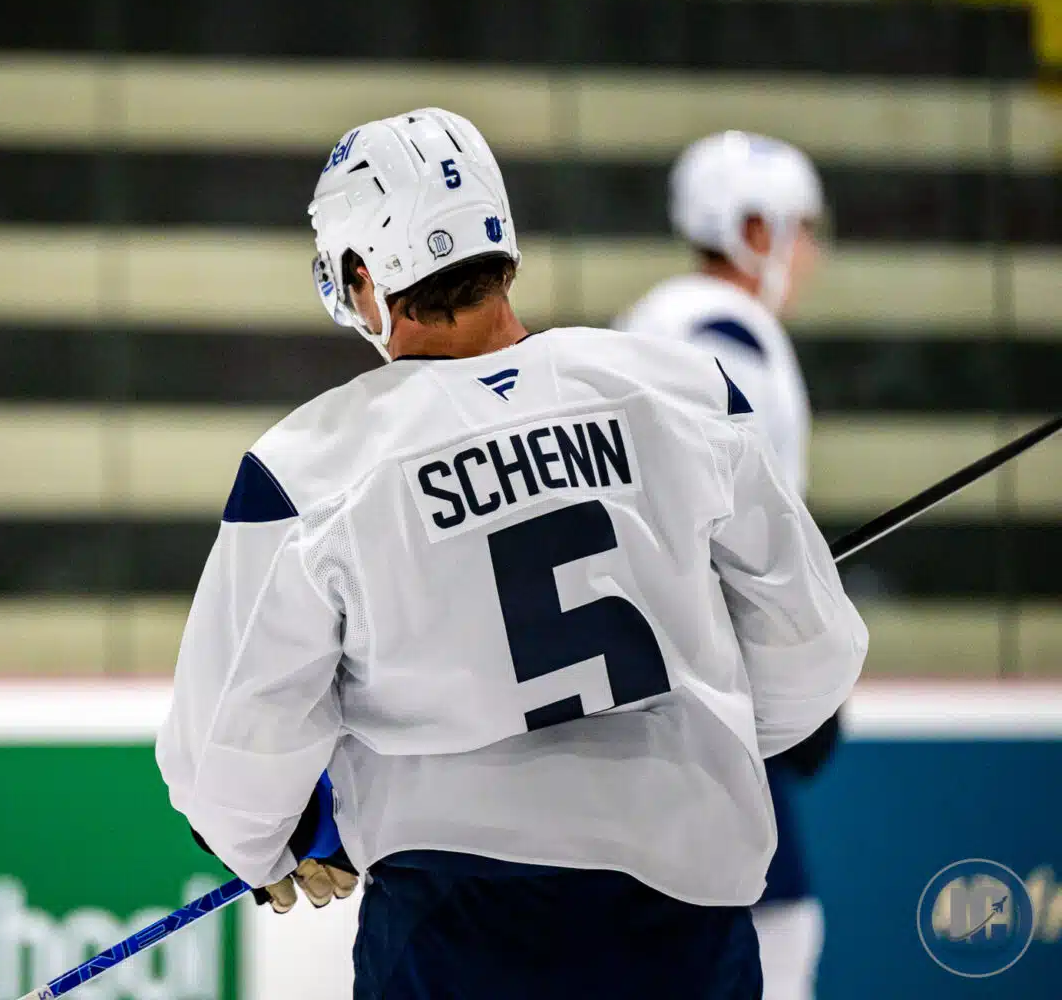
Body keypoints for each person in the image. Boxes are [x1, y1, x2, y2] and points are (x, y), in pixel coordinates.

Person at [156, 108, 867, 999]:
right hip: (685, 924)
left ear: (362, 275)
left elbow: (225, 761)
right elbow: (814, 651)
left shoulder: (308, 470)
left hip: (457, 935)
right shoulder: (685, 392)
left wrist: (285, 838)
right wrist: (690, 743)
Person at [616, 131, 841, 1000]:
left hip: (643, 705)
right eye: (800, 229)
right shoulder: (726, 333)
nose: (811, 253)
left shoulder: (647, 322)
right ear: (753, 230)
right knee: (773, 937)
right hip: (709, 705)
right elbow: (728, 530)